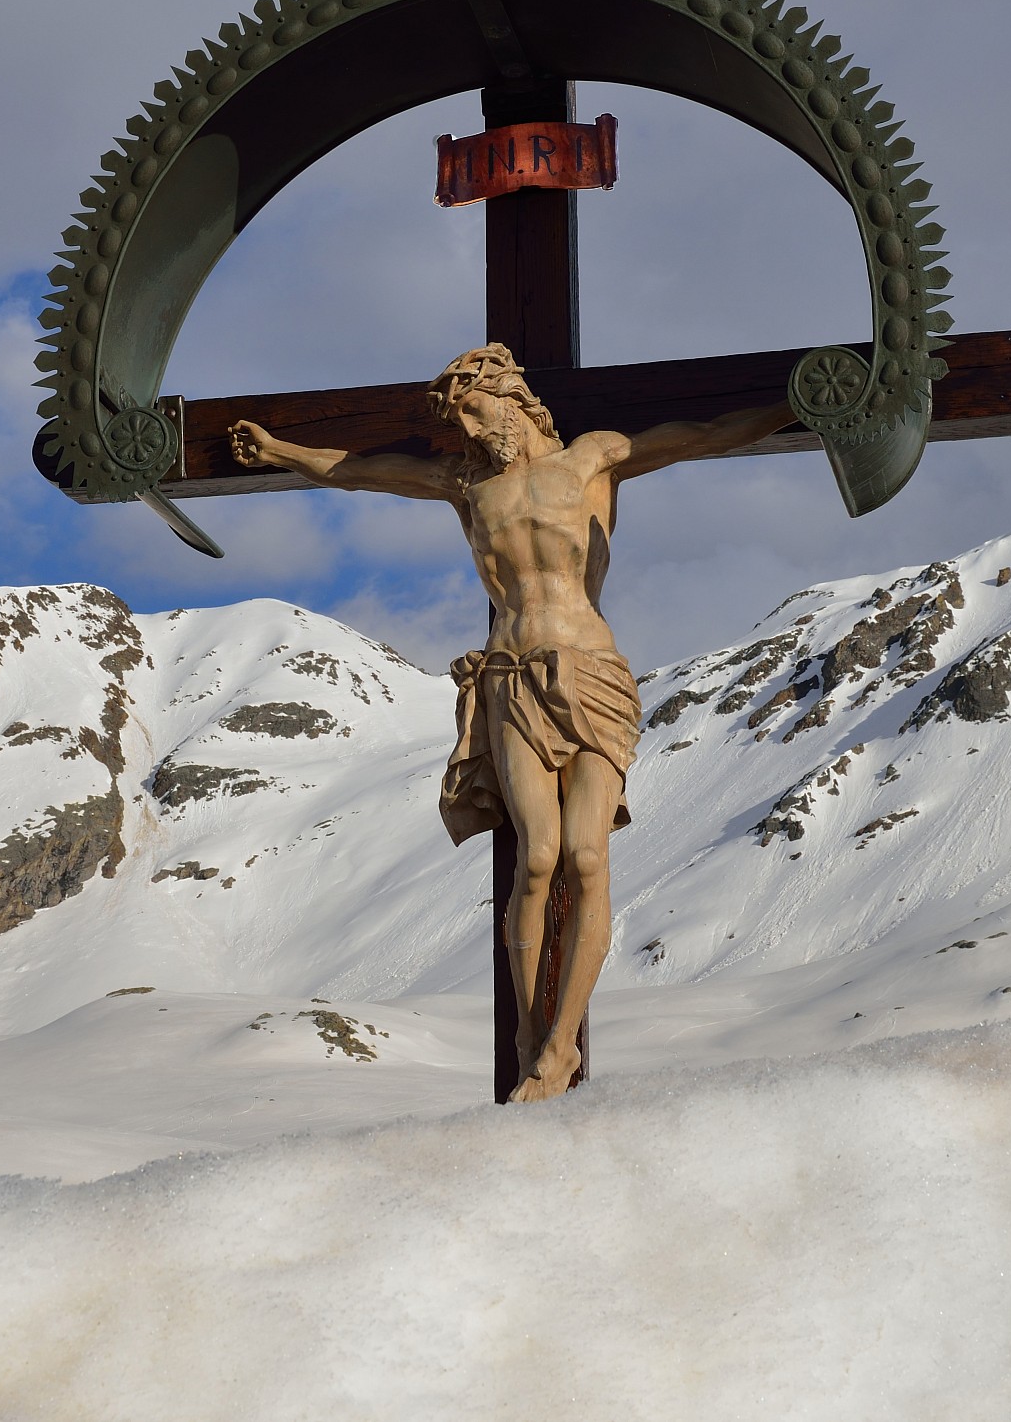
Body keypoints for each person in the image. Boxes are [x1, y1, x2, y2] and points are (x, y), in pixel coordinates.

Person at [230, 344, 795, 1100]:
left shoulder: (592, 460)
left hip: (591, 672)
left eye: (474, 407)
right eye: (457, 416)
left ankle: (562, 1045)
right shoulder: (467, 486)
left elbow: (704, 434)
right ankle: (532, 1037)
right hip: (509, 680)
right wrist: (280, 452)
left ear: (512, 396)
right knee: (536, 859)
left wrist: (793, 406)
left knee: (587, 859)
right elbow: (357, 469)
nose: (467, 427)